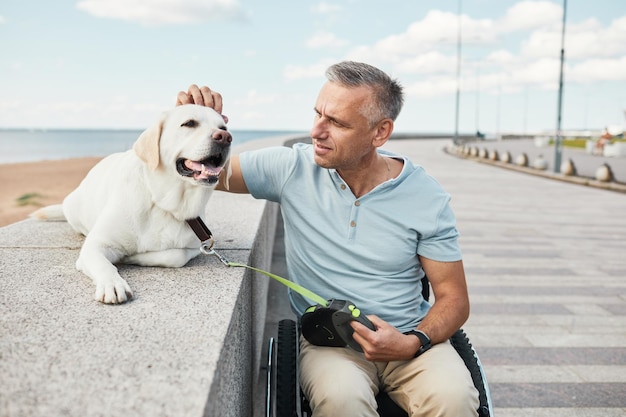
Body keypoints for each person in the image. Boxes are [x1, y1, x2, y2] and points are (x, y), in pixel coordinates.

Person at [176, 61, 479, 417]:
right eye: (318, 114)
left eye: (336, 122)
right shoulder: (291, 168)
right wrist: (197, 126)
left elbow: (454, 299)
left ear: (379, 133)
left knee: (455, 400)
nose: (316, 131)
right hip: (330, 340)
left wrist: (413, 341)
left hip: (411, 339)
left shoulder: (426, 197)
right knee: (341, 401)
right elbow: (201, 170)